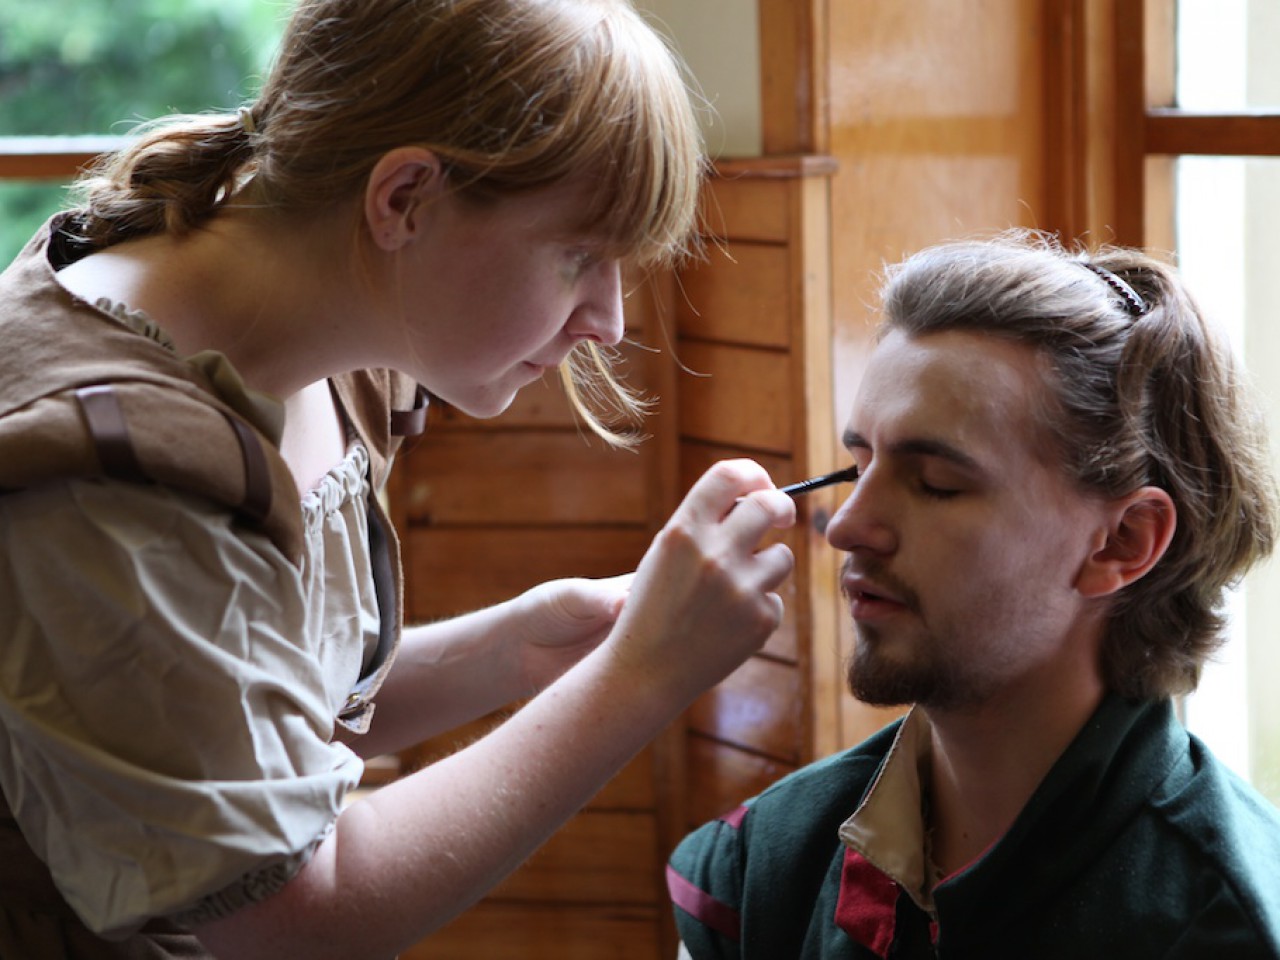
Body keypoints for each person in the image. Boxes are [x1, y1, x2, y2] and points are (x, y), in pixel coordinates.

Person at [0, 1, 800, 958]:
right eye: (580, 256)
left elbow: (256, 707)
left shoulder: (338, 346)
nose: (610, 320)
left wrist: (514, 650)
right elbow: (300, 917)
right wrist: (642, 677)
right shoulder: (111, 480)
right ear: (406, 198)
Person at [667, 230, 1280, 958]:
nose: (849, 527)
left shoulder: (1222, 928)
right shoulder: (761, 868)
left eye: (936, 484)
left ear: (1122, 542)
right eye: (857, 467)